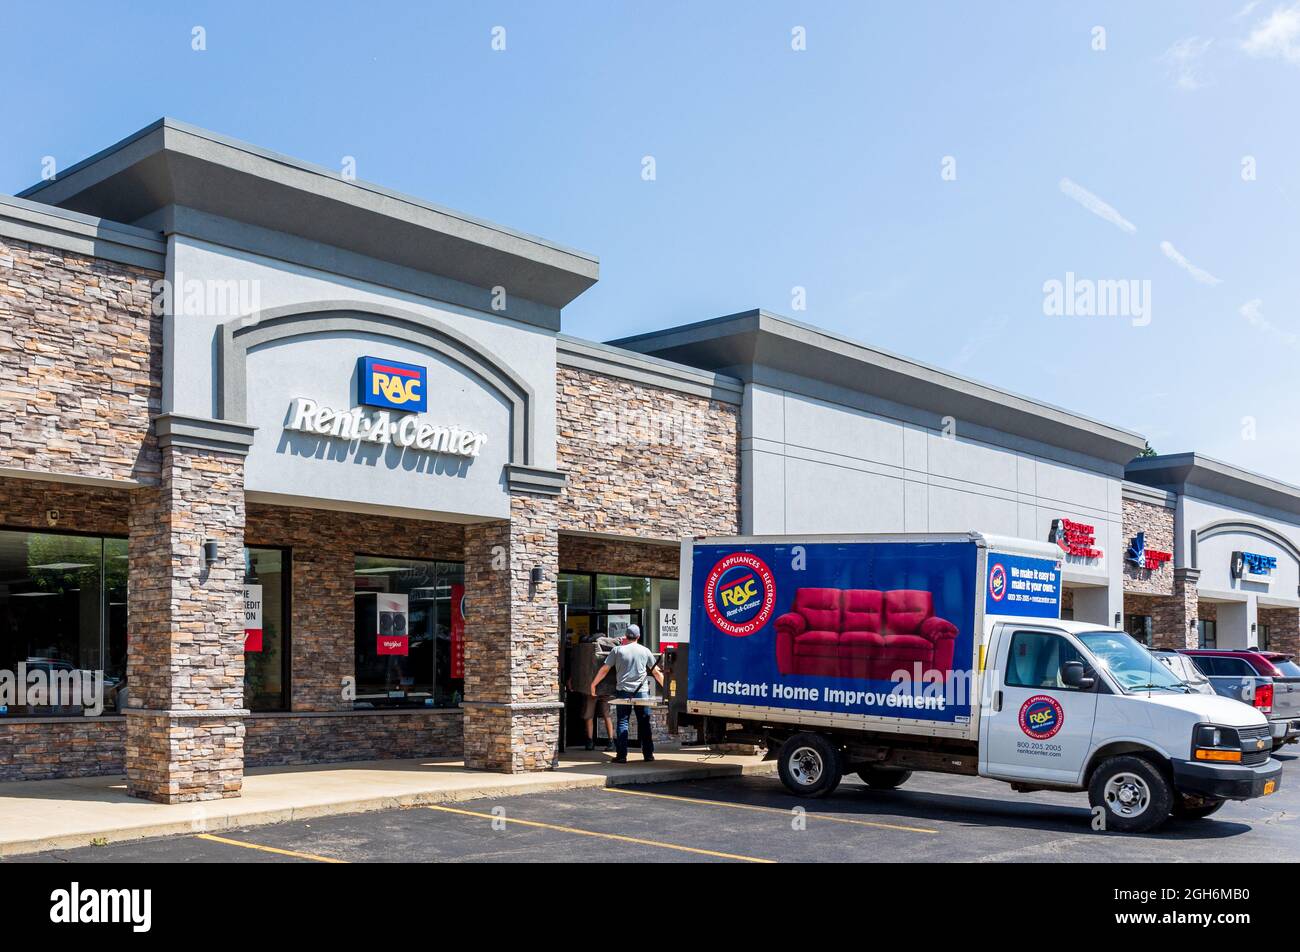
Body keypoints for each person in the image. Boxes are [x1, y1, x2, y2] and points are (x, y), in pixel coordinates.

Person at [589, 624, 664, 763]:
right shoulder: (645, 651)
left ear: (625, 636)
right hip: (641, 692)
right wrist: (667, 690)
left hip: (623, 691)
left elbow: (605, 670)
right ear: (638, 637)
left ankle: (622, 756)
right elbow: (656, 672)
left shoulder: (617, 651)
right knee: (644, 723)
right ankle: (648, 755)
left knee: (623, 722)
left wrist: (593, 684)